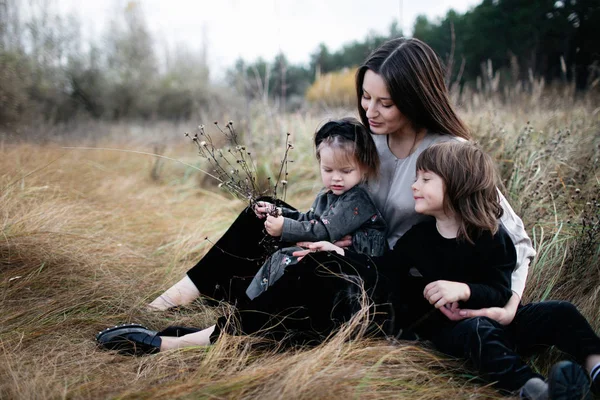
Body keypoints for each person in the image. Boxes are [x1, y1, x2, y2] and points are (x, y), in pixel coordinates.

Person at [96, 38, 533, 366]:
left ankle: (192, 339)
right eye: (365, 97)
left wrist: (508, 305)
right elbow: (333, 207)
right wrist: (289, 223)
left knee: (317, 264)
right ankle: (161, 304)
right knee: (265, 211)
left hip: (386, 279)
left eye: (386, 102)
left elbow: (515, 237)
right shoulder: (368, 141)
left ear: (416, 98)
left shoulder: (449, 152)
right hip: (343, 257)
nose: (371, 111)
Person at [299, 141, 600, 399]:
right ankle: (536, 389)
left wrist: (465, 290)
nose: (414, 186)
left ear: (458, 185)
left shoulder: (492, 237)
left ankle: (595, 366)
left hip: (498, 319)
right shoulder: (419, 239)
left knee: (560, 311)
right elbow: (384, 270)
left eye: (425, 179)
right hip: (455, 332)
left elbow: (499, 291)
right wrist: (340, 252)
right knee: (479, 333)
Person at [244, 117, 387, 300]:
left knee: (290, 260)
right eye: (328, 170)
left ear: (364, 168)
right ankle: (252, 302)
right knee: (281, 258)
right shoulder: (328, 194)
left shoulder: (356, 200)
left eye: (345, 171)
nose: (336, 178)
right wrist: (279, 212)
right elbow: (310, 219)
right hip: (329, 254)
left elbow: (321, 230)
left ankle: (258, 305)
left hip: (356, 270)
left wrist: (284, 227)